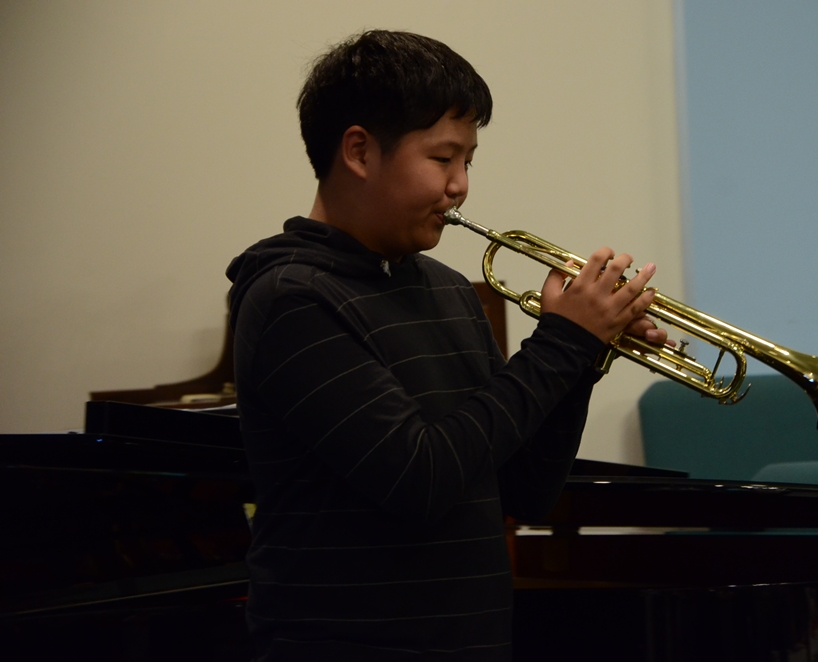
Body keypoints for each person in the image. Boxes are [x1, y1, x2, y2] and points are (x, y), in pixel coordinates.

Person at [226, 29, 666, 660]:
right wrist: (564, 343)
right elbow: (421, 478)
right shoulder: (291, 298)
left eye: (469, 162)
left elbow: (525, 491)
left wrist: (586, 357)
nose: (460, 185)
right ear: (359, 151)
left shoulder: (450, 290)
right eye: (442, 158)